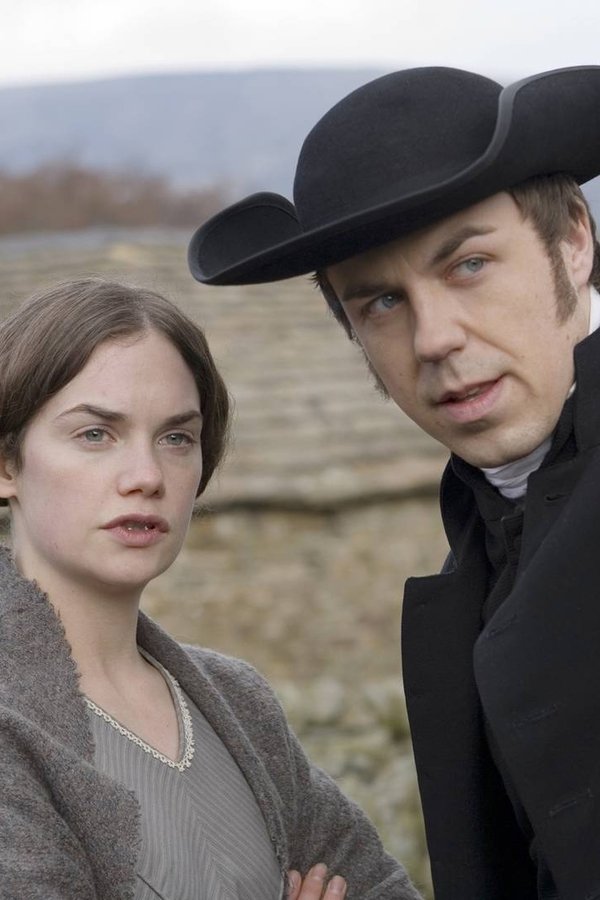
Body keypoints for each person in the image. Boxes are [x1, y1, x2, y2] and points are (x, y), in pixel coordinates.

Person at [187, 65, 600, 899]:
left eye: (469, 264)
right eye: (380, 303)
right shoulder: (481, 546)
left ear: (574, 241)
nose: (434, 337)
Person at [0, 277, 422, 900]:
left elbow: (381, 887)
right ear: (7, 463)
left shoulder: (237, 701)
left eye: (177, 438)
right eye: (95, 434)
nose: (146, 476)